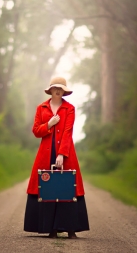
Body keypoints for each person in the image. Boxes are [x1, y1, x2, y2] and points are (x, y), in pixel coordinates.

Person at [23, 76, 90, 239]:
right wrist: (50, 124)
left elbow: (68, 132)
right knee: (46, 186)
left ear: (64, 91)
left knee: (67, 187)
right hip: (45, 154)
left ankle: (70, 229)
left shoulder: (70, 109)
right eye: (55, 88)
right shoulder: (41, 108)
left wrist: (61, 154)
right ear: (51, 90)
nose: (58, 90)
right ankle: (50, 228)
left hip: (65, 154)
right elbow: (36, 131)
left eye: (61, 88)